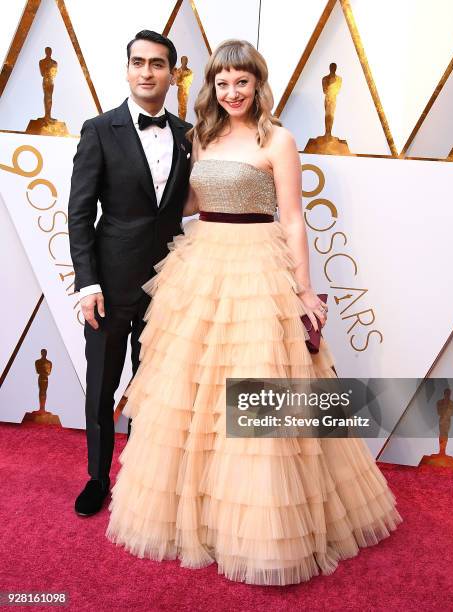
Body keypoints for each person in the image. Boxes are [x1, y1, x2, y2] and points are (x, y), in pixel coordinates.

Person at [106, 39, 402, 585]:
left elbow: (292, 218)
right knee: (192, 398)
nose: (232, 92)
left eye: (242, 81)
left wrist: (305, 291)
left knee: (258, 389)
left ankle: (262, 526)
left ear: (257, 84)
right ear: (211, 88)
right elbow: (191, 202)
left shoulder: (279, 140)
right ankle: (201, 517)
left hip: (258, 266)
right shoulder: (200, 139)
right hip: (203, 262)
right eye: (222, 83)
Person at [68, 30, 192, 517]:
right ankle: (98, 478)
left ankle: (141, 480)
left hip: (167, 285)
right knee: (101, 385)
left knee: (152, 386)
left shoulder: (186, 135)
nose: (146, 72)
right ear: (127, 70)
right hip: (109, 285)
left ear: (171, 74)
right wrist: (88, 283)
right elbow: (79, 213)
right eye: (138, 62)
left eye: (157, 64)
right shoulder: (99, 129)